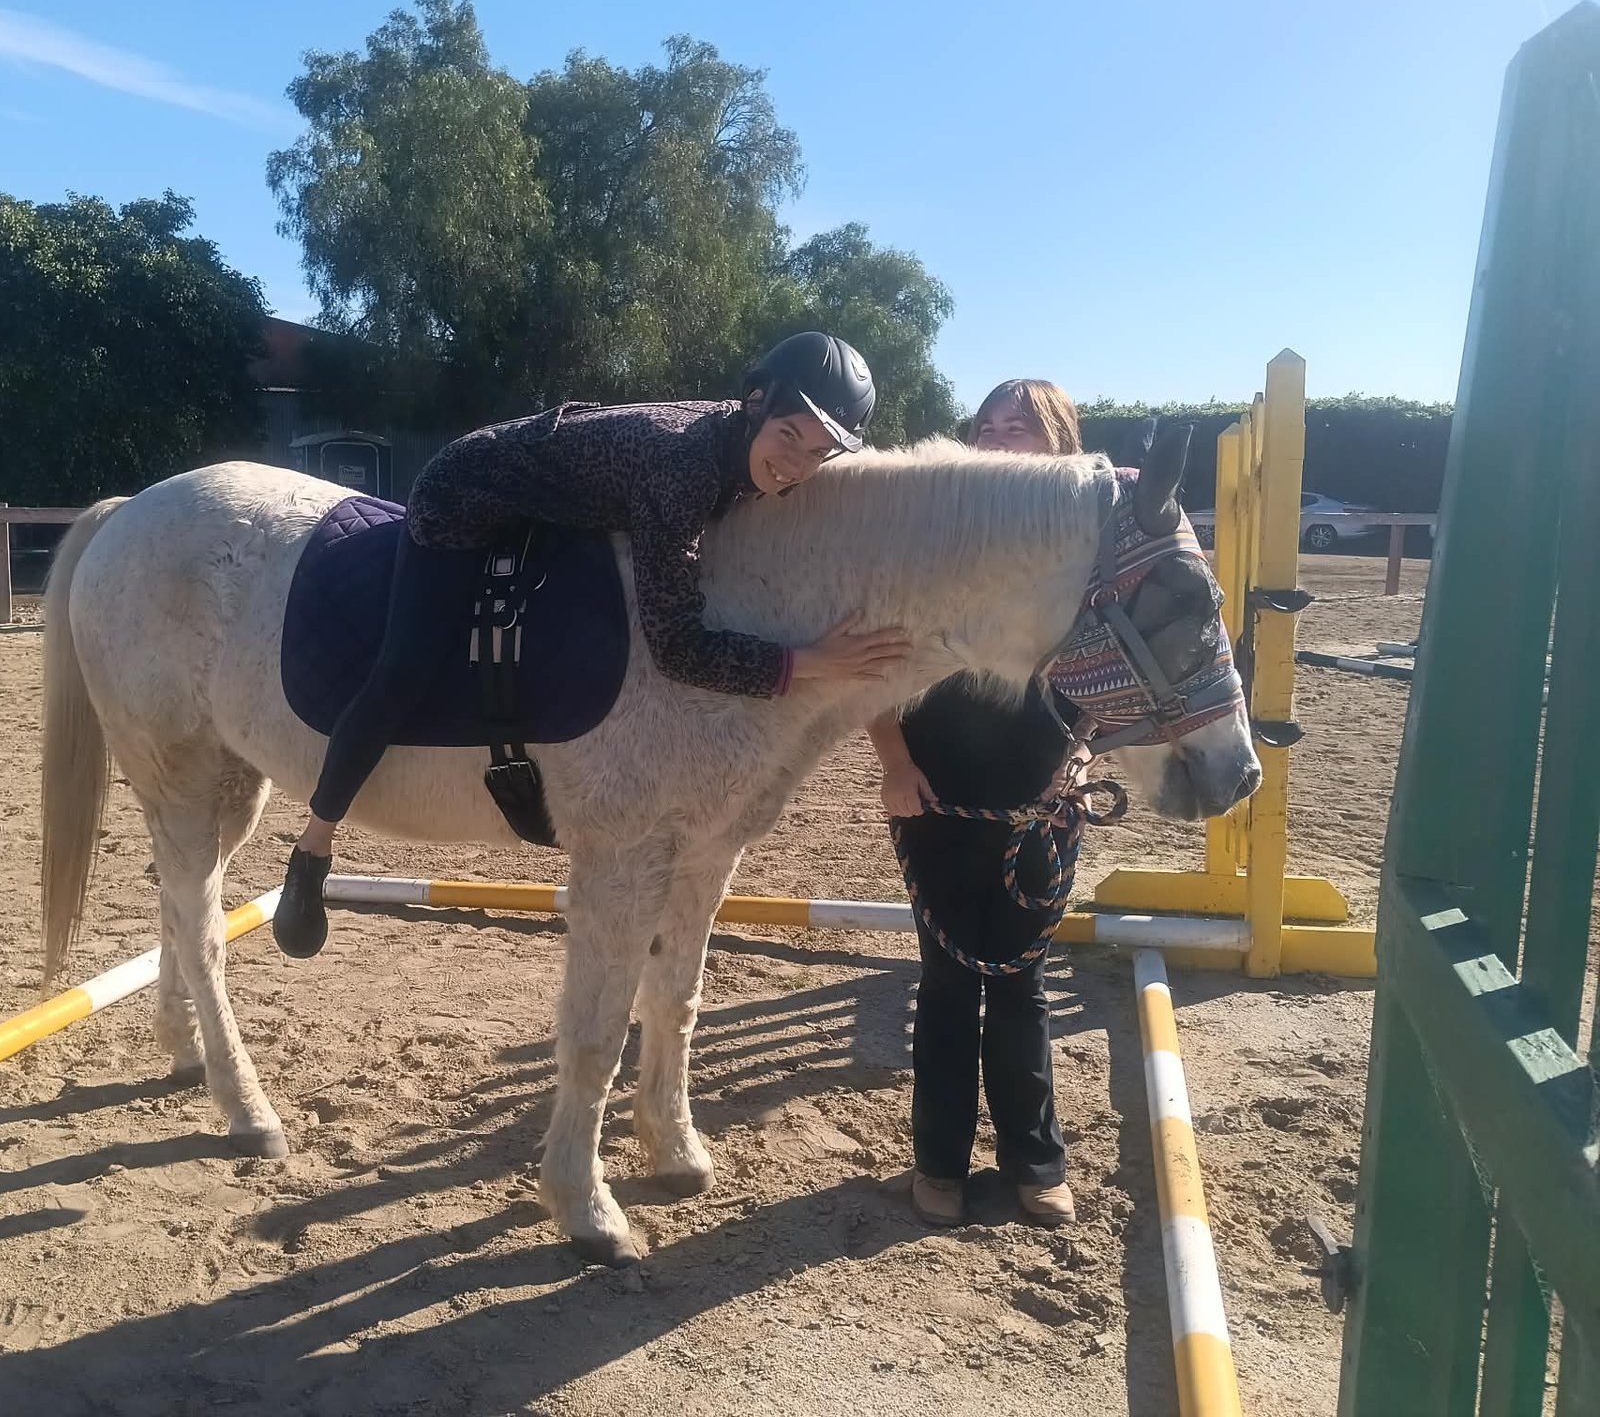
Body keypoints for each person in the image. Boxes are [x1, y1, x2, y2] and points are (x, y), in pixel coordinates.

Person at [274, 332, 913, 958]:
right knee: (403, 671)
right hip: (466, 495)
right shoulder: (682, 468)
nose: (796, 466)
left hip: (556, 501)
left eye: (817, 453)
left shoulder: (736, 449)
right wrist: (806, 664)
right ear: (755, 405)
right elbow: (680, 650)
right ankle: (314, 845)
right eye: (789, 437)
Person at [867, 378, 1087, 1229]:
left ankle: (1036, 1160)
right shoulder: (937, 544)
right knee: (949, 979)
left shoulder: (1081, 553)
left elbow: (1111, 669)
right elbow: (877, 658)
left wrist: (1082, 757)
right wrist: (892, 764)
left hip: (1043, 793)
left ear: (1057, 442)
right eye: (987, 426)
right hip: (937, 790)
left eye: (1019, 428)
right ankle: (940, 1162)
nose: (999, 439)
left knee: (1024, 981)